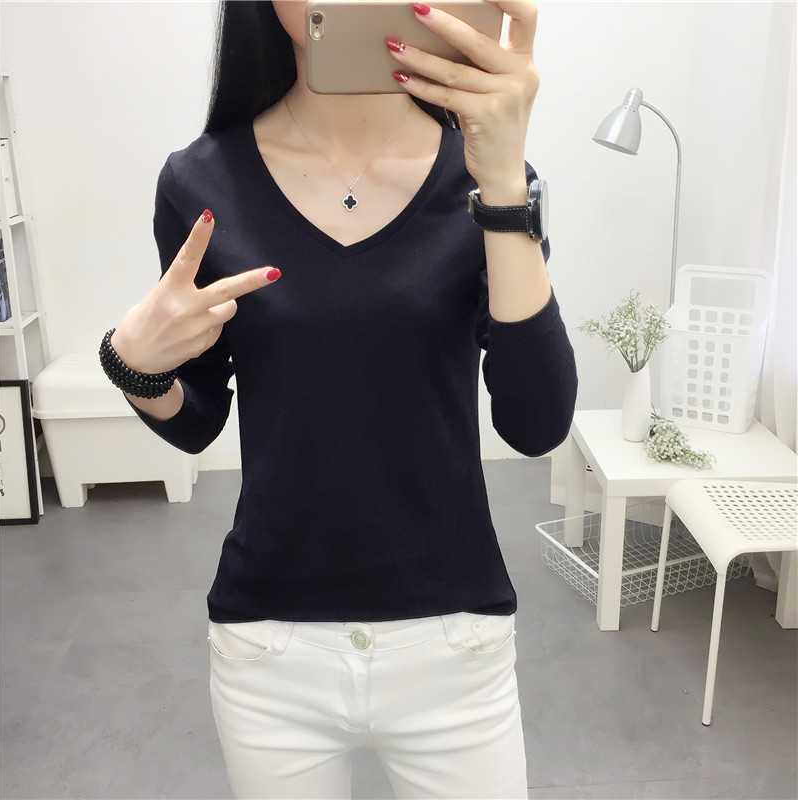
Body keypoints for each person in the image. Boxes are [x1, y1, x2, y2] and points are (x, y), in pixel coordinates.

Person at [102, 1, 577, 797]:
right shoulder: (201, 181)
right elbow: (198, 419)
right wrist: (133, 367)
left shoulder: (488, 179)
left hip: (453, 641)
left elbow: (536, 422)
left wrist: (502, 182)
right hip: (270, 649)